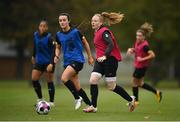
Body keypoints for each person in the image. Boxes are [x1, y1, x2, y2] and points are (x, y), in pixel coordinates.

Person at [83, 12, 136, 113]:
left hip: (110, 60)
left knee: (111, 87)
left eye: (95, 21)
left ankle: (130, 99)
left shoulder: (104, 31)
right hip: (101, 61)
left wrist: (105, 56)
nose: (93, 23)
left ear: (101, 22)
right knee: (93, 80)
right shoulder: (97, 32)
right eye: (92, 21)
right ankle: (93, 106)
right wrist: (100, 57)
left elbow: (110, 44)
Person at [54, 13, 94, 110]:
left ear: (68, 21)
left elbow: (86, 43)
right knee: (77, 87)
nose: (62, 22)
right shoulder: (58, 35)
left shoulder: (76, 32)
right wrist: (56, 55)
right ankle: (91, 105)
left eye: (64, 20)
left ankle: (77, 98)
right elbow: (58, 47)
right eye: (60, 20)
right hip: (67, 62)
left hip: (77, 60)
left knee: (64, 78)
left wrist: (90, 57)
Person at [126, 22, 162, 105]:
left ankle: (136, 101)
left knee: (134, 82)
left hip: (141, 67)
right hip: (139, 66)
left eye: (140, 36)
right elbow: (137, 50)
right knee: (140, 83)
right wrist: (131, 50)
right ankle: (157, 92)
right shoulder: (138, 42)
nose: (138, 37)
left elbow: (152, 54)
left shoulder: (145, 46)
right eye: (137, 35)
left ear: (144, 37)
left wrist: (142, 59)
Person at [31, 20, 56, 107]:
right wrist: (33, 56)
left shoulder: (50, 38)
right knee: (34, 79)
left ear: (47, 28)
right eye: (41, 26)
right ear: (39, 26)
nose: (42, 27)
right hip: (39, 61)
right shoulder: (35, 35)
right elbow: (34, 46)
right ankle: (40, 99)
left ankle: (52, 101)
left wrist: (51, 63)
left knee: (49, 80)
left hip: (48, 62)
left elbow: (53, 51)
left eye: (44, 26)